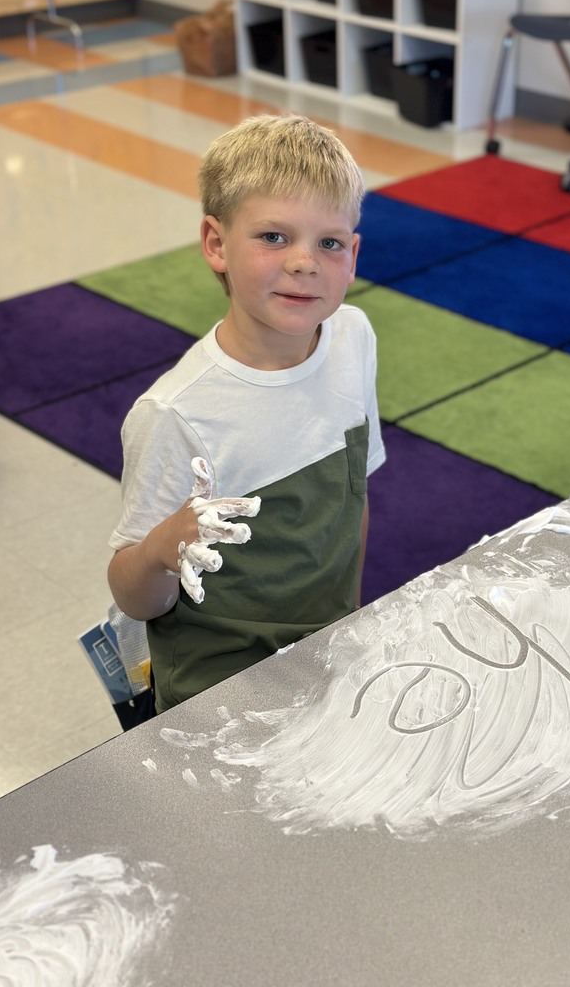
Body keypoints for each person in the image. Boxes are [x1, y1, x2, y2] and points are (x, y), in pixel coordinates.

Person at [107, 113, 386, 713]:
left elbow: (354, 494)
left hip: (327, 658)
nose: (305, 262)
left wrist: (349, 620)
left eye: (329, 243)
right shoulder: (174, 413)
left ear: (353, 255)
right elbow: (133, 596)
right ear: (216, 244)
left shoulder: (354, 338)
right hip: (217, 693)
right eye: (274, 237)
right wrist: (162, 548)